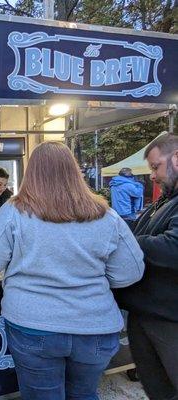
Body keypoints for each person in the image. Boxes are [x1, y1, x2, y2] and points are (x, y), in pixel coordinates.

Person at [0, 142, 144, 400]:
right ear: (74, 171)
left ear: (32, 173)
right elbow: (130, 272)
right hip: (95, 328)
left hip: (33, 327)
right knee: (84, 394)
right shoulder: (105, 214)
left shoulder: (14, 211)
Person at [114, 132, 178, 400]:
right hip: (145, 313)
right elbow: (144, 231)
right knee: (156, 387)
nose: (152, 175)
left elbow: (172, 246)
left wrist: (125, 241)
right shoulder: (166, 199)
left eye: (155, 167)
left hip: (169, 319)